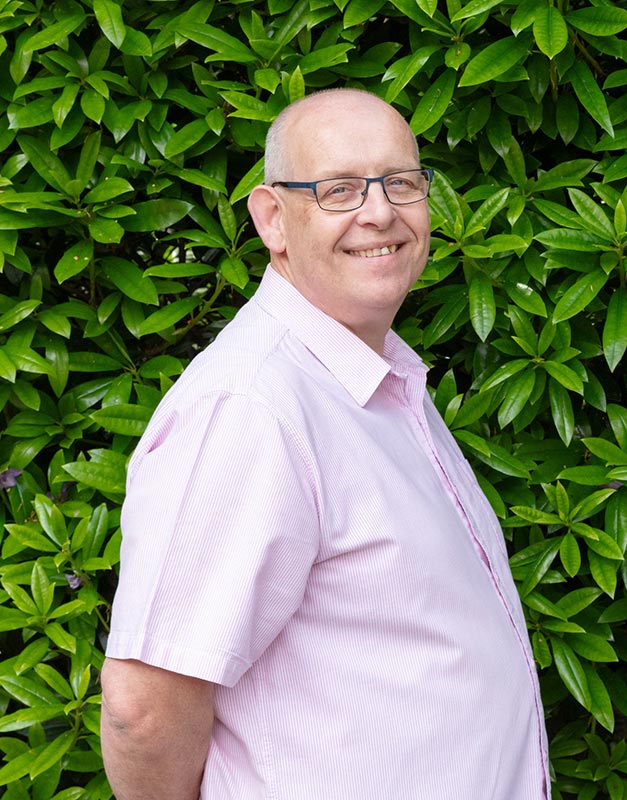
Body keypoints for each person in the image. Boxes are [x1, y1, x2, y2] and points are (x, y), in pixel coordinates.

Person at [100, 88, 549, 800]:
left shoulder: (374, 380)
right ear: (273, 218)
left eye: (401, 182)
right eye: (338, 189)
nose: (380, 212)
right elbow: (143, 709)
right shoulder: (254, 409)